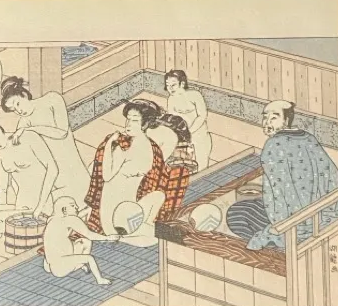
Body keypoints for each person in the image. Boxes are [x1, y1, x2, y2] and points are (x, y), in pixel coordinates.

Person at [225, 99, 338, 250]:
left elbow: (278, 194)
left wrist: (278, 227)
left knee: (236, 214)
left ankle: (274, 247)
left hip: (293, 224)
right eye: (265, 117)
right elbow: (333, 174)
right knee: (253, 205)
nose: (267, 122)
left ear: (286, 120)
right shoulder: (309, 138)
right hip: (320, 214)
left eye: (274, 117)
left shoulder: (274, 145)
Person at [84, 99, 191, 238]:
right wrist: (110, 142)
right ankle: (134, 233)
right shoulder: (124, 146)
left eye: (134, 120)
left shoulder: (151, 147)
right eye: (128, 119)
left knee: (159, 196)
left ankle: (144, 231)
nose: (128, 124)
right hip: (113, 212)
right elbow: (106, 176)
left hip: (130, 207)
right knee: (163, 235)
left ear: (145, 124)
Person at [0, 76, 90, 207]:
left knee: (84, 196)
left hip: (70, 160)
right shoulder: (22, 124)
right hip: (52, 169)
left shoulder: (52, 100)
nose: (18, 111)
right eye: (14, 110)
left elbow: (62, 132)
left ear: (24, 95)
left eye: (17, 104)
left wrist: (30, 129)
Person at [0, 113, 59, 244]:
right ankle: (8, 229)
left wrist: (40, 206)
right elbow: (3, 189)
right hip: (21, 205)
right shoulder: (1, 155)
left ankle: (13, 231)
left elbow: (53, 169)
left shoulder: (27, 137)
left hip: (43, 204)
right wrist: (3, 214)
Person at [42, 197, 120, 285]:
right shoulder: (71, 219)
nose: (77, 207)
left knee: (84, 242)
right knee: (89, 258)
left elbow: (76, 217)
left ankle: (79, 264)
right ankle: (100, 280)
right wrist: (108, 238)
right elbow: (89, 234)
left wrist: (87, 209)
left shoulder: (52, 219)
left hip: (50, 265)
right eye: (72, 205)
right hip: (61, 268)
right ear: (64, 210)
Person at [164, 69, 212, 170]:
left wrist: (189, 131)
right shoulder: (171, 99)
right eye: (168, 85)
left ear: (182, 83)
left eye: (173, 85)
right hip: (183, 140)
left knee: (202, 168)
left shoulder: (195, 95)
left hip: (200, 136)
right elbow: (172, 120)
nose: (170, 88)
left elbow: (202, 115)